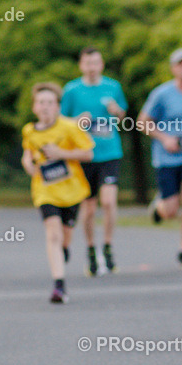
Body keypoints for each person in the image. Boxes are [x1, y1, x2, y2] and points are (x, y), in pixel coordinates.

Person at [21, 83, 95, 303]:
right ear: (34, 107)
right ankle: (59, 286)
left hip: (71, 191)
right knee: (52, 233)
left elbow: (88, 154)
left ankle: (63, 249)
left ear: (58, 107)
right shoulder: (29, 130)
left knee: (64, 236)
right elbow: (28, 154)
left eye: (50, 103)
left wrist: (60, 152)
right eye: (41, 103)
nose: (45, 107)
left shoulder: (70, 127)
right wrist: (28, 164)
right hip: (45, 191)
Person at [139, 48, 182, 269]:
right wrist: (164, 138)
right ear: (173, 68)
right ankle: (159, 208)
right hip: (167, 157)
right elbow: (143, 122)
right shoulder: (162, 94)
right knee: (170, 210)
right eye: (180, 64)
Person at [60, 47, 128, 276]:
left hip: (109, 153)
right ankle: (90, 249)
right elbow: (60, 121)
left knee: (108, 202)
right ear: (81, 65)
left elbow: (123, 116)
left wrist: (116, 110)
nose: (92, 67)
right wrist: (76, 121)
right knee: (88, 209)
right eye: (88, 63)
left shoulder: (112, 87)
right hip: (84, 155)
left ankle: (107, 246)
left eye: (96, 62)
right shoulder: (72, 90)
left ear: (102, 64)